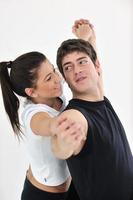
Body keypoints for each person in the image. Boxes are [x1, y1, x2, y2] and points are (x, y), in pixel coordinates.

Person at [0, 19, 94, 200]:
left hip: (71, 186)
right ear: (31, 91)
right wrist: (57, 125)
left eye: (54, 70)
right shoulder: (32, 115)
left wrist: (84, 38)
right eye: (49, 78)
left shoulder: (54, 94)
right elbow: (46, 124)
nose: (58, 79)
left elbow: (77, 66)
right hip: (41, 195)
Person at [50, 32, 133, 199]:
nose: (77, 70)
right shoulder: (75, 115)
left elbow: (96, 78)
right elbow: (61, 147)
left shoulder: (101, 99)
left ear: (97, 66)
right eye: (68, 67)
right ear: (65, 78)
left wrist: (90, 38)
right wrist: (63, 145)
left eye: (82, 62)